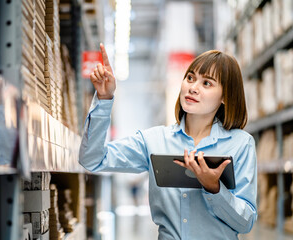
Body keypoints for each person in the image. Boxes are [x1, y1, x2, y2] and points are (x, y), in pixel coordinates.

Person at [79, 43, 257, 240]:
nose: (193, 88)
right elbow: (92, 159)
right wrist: (104, 99)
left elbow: (246, 222)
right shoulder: (154, 141)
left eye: (207, 83)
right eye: (190, 78)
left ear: (225, 96)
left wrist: (214, 189)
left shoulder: (241, 144)